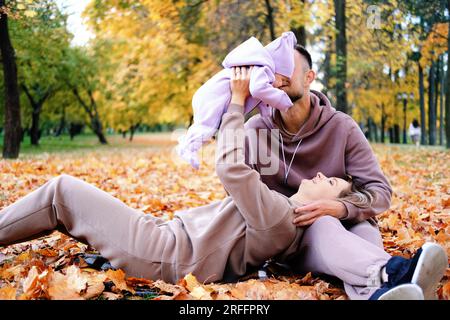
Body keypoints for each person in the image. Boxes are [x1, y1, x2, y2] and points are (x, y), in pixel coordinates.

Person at [0, 66, 447, 300]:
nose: (315, 176)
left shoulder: (284, 213)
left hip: (163, 251)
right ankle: (386, 283)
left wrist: (235, 102)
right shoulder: (282, 200)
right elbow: (241, 169)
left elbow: (231, 169)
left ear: (311, 78)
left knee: (60, 191)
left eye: (327, 181)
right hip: (174, 240)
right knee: (62, 200)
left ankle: (389, 273)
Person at [241, 46, 447, 299]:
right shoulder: (257, 130)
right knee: (324, 224)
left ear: (309, 78)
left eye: (288, 67)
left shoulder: (341, 127)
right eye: (274, 69)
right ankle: (397, 272)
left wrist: (341, 208)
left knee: (364, 235)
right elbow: (238, 194)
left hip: (350, 221)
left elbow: (379, 191)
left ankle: (386, 290)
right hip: (292, 234)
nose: (279, 76)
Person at [176, 32, 296, 169]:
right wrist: (283, 102)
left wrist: (269, 116)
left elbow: (262, 101)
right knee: (207, 126)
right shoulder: (264, 69)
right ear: (276, 68)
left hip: (210, 95)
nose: (281, 85)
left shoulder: (261, 72)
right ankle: (187, 148)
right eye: (283, 79)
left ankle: (187, 146)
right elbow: (258, 90)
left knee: (206, 125)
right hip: (213, 96)